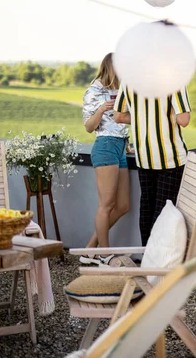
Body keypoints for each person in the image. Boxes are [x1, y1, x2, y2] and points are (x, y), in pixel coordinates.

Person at [114, 80, 191, 247]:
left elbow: (118, 116)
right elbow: (184, 119)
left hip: (144, 156)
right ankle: (159, 264)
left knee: (147, 206)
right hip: (170, 158)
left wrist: (142, 119)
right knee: (165, 211)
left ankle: (147, 258)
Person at [80, 52, 130, 265]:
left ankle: (90, 249)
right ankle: (104, 253)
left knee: (123, 205)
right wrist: (100, 110)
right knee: (106, 204)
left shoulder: (121, 89)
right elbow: (89, 128)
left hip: (121, 147)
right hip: (105, 146)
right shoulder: (93, 91)